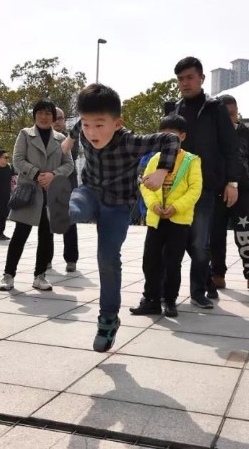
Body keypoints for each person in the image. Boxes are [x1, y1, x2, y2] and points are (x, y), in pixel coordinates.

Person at [50, 83, 180, 352]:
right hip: (90, 190)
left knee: (107, 260)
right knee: (77, 203)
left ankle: (108, 319)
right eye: (87, 125)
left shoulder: (130, 142)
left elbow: (170, 139)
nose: (92, 133)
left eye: (100, 125)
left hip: (118, 205)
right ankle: (63, 214)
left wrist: (162, 171)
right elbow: (78, 126)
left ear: (117, 123)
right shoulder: (84, 129)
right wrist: (71, 139)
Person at [164, 57, 241, 309]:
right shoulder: (174, 110)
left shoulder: (215, 109)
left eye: (189, 77)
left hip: (204, 187)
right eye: (180, 79)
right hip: (174, 187)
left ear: (201, 78)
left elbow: (230, 147)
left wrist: (232, 182)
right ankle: (187, 286)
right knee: (175, 243)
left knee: (199, 243)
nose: (184, 83)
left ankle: (198, 292)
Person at [130, 114, 202, 318]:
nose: (167, 140)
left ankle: (169, 300)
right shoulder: (154, 159)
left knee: (172, 263)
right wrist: (153, 205)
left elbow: (195, 189)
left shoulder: (191, 161)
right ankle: (151, 299)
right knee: (150, 261)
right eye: (163, 136)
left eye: (172, 136)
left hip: (178, 221)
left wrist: (176, 207)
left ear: (183, 136)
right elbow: (145, 185)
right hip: (156, 220)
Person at [0, 100, 74, 292]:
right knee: (20, 235)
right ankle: (8, 275)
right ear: (34, 115)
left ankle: (40, 276)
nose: (44, 117)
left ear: (53, 117)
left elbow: (69, 164)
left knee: (46, 236)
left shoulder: (61, 138)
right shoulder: (25, 134)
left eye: (48, 113)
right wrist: (36, 174)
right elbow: (17, 160)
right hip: (29, 191)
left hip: (50, 192)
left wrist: (53, 175)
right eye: (40, 112)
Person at [209, 94, 249, 293]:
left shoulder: (246, 134)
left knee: (246, 234)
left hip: (242, 192)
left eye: (231, 114)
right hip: (216, 193)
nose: (228, 119)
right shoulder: (210, 134)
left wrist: (237, 180)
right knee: (215, 235)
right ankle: (217, 275)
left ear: (237, 112)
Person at [51, 107, 79, 272]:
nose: (57, 121)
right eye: (54, 118)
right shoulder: (42, 138)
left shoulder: (71, 137)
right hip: (48, 184)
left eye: (60, 118)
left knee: (70, 221)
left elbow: (68, 155)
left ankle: (71, 259)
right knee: (47, 221)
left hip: (67, 184)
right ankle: (46, 259)